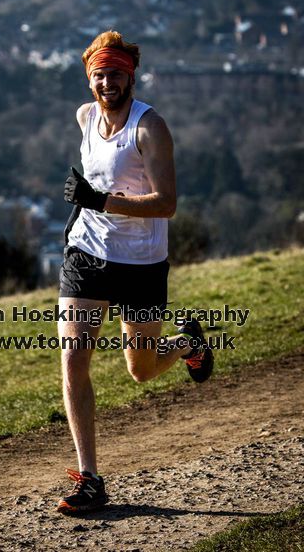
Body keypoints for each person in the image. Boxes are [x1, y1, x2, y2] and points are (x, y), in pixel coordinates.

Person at [57, 31, 213, 514]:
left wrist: (100, 200)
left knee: (141, 370)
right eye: (100, 74)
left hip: (141, 263)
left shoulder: (150, 127)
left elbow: (166, 204)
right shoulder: (85, 118)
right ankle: (90, 479)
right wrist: (83, 211)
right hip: (85, 254)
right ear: (90, 79)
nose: (108, 82)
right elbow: (98, 178)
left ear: (131, 76)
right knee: (72, 359)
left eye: (116, 74)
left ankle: (188, 344)